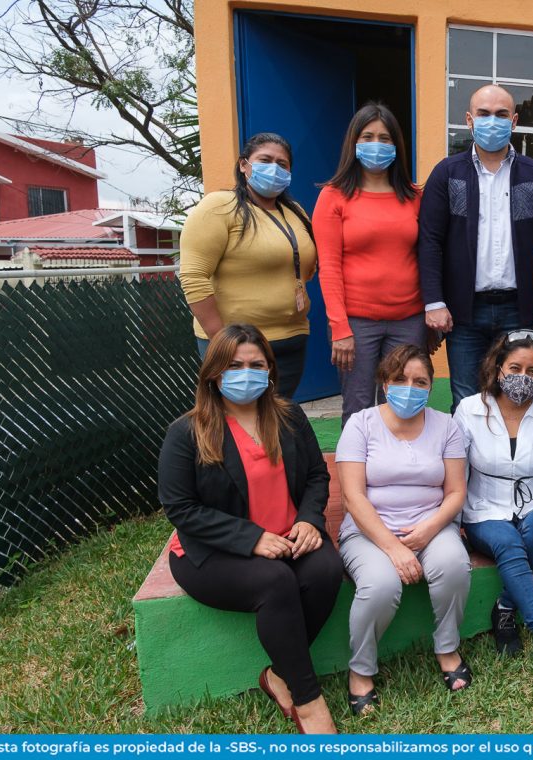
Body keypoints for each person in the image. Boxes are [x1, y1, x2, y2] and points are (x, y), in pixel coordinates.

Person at [157, 324, 342, 734]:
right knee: (276, 581)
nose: (246, 374)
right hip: (212, 553)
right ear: (214, 373)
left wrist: (309, 519)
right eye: (235, 365)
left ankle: (279, 675)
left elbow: (316, 475)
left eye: (256, 365)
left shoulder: (289, 416)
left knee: (327, 570)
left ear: (270, 370)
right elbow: (180, 508)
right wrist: (252, 538)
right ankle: (308, 700)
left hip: (288, 537)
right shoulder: (186, 432)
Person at [335, 345, 472, 716]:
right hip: (369, 531)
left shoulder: (446, 426)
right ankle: (361, 670)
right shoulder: (361, 424)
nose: (409, 388)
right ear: (384, 382)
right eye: (400, 379)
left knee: (454, 566)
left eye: (420, 381)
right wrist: (393, 548)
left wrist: (429, 529)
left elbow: (456, 492)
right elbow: (352, 497)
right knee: (380, 585)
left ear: (430, 386)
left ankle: (447, 648)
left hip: (431, 523)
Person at [418, 84, 533, 412]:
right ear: (469, 120)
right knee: (467, 402)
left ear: (514, 121)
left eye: (501, 114)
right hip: (463, 312)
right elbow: (429, 241)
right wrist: (434, 302)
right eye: (484, 114)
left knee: (521, 397)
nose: (492, 121)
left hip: (520, 309)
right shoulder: (448, 173)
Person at [453, 331, 533, 689]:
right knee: (507, 541)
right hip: (484, 508)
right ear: (498, 368)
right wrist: (453, 528)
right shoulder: (469, 409)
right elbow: (457, 473)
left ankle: (505, 608)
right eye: (515, 368)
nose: (523, 377)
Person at [312, 103, 430, 428]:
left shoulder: (414, 196)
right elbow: (329, 266)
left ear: (396, 145)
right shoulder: (333, 196)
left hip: (409, 320)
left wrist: (430, 318)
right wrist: (339, 327)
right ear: (354, 142)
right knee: (359, 408)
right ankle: (357, 464)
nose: (376, 144)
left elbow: (428, 257)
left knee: (405, 405)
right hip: (356, 324)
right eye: (367, 137)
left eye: (384, 138)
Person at [179, 133, 316, 398]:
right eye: (265, 160)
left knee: (277, 416)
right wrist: (222, 342)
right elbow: (193, 276)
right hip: (237, 347)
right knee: (238, 418)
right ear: (244, 165)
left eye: (282, 164)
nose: (274, 168)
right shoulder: (219, 207)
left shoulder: (296, 212)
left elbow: (305, 266)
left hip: (291, 340)